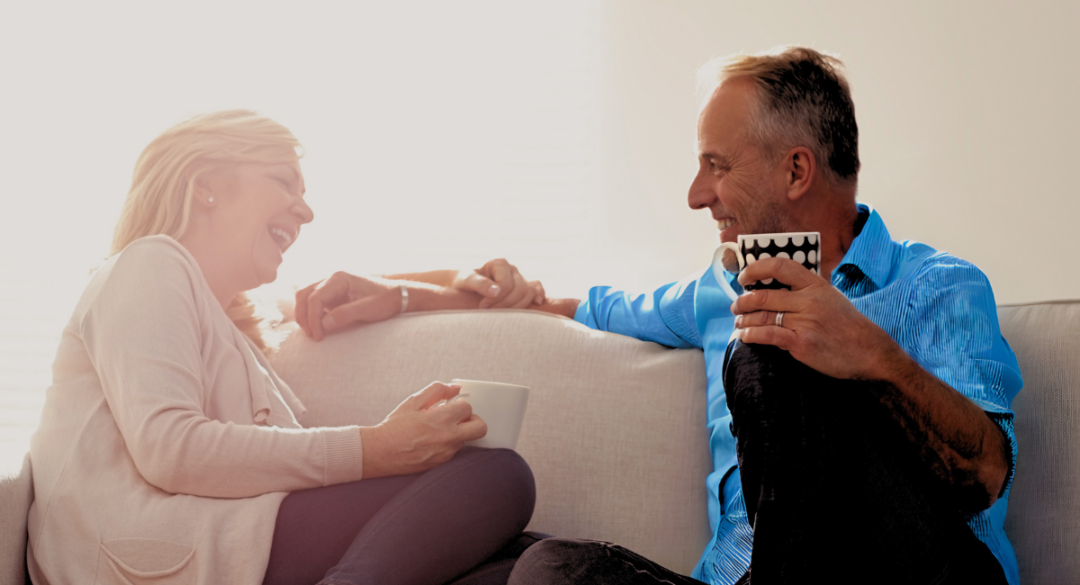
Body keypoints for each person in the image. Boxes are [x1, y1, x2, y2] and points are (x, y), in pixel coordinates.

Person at [312, 47, 1024, 585]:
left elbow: (986, 473)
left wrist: (869, 354)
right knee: (539, 569)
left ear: (797, 171)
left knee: (767, 346)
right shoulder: (715, 290)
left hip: (919, 571)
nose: (694, 195)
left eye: (716, 165)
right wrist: (405, 293)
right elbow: (548, 301)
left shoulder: (939, 287)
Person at [27, 110, 541, 585]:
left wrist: (456, 283)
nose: (308, 211)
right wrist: (376, 448)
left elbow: (350, 291)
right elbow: (171, 449)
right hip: (155, 556)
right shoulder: (149, 263)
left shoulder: (228, 324)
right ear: (205, 186)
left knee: (530, 560)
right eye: (283, 181)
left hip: (219, 547)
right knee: (497, 476)